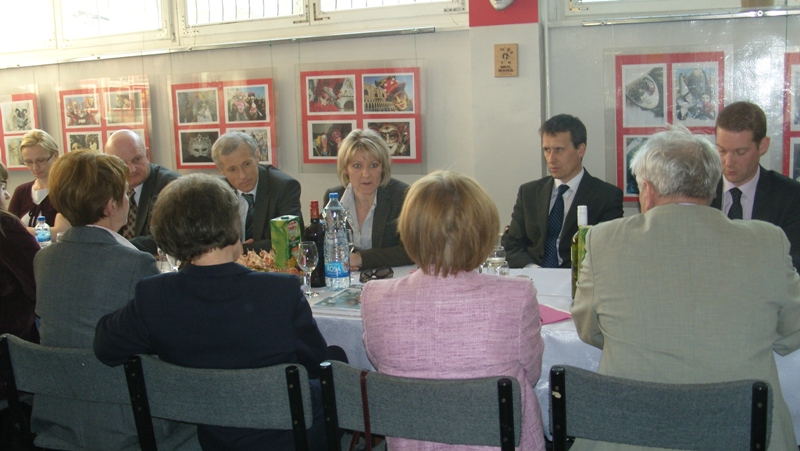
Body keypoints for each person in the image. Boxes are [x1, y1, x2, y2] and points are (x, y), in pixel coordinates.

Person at [571, 127, 800, 451]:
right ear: (711, 186)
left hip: (631, 435)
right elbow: (792, 331)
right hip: (744, 434)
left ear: (647, 190)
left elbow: (589, 330)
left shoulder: (604, 240)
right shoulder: (767, 241)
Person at [94, 173, 329, 451]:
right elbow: (315, 362)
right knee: (334, 365)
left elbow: (106, 347)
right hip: (287, 436)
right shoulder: (280, 290)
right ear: (233, 223)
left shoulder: (155, 295)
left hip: (211, 436)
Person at [361, 170, 545, 451]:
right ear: (483, 233)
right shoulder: (517, 296)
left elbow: (382, 367)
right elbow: (531, 375)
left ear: (410, 231)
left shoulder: (375, 298)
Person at [32, 150, 193, 450]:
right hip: (127, 422)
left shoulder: (44, 259)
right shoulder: (135, 263)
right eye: (125, 194)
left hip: (59, 417)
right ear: (111, 205)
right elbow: (166, 344)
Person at [502, 114, 623, 268]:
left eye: (559, 150)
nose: (551, 159)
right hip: (534, 276)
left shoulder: (606, 196)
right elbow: (511, 244)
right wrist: (534, 270)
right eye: (547, 150)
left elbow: (609, 250)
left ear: (580, 150)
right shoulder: (529, 193)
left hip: (579, 278)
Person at [710, 101, 800, 269]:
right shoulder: (699, 191)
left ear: (763, 145)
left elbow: (793, 265)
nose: (728, 162)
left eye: (740, 152)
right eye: (722, 150)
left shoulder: (790, 197)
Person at [324, 128, 413, 270]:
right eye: (357, 166)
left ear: (383, 167)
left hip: (392, 278)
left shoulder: (402, 196)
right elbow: (327, 246)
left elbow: (411, 251)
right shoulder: (334, 199)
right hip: (347, 279)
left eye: (374, 165)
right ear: (345, 168)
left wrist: (360, 258)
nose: (366, 174)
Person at [212, 131, 303, 253]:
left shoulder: (284, 187)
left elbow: (291, 239)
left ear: (257, 156)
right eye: (232, 169)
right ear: (221, 171)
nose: (242, 175)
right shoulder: (216, 193)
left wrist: (241, 249)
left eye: (246, 164)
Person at [0, 161, 40, 400]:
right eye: (2, 187)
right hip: (11, 357)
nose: (7, 195)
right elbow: (39, 282)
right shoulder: (4, 226)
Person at [106, 129, 180, 255]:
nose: (131, 169)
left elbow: (170, 236)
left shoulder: (172, 186)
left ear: (147, 154)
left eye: (136, 159)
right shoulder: (105, 188)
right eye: (122, 163)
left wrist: (119, 247)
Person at [8, 129, 70, 237]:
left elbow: (60, 233)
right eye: (29, 162)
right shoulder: (21, 191)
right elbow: (7, 229)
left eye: (41, 160)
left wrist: (19, 231)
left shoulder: (66, 190)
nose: (35, 167)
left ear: (55, 155)